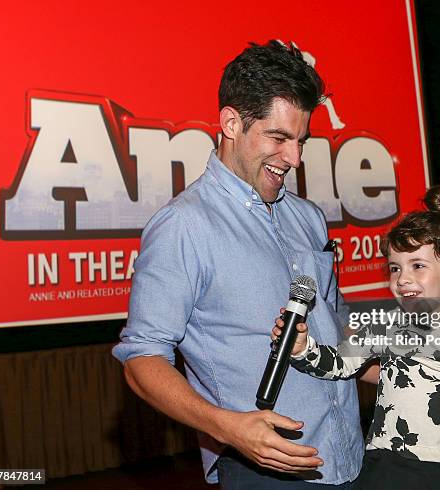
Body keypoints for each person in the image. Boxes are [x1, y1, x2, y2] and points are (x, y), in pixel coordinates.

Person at [112, 40, 366, 489]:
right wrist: (225, 425)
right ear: (231, 123)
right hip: (263, 473)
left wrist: (410, 372)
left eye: (301, 142)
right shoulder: (183, 226)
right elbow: (142, 358)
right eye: (279, 138)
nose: (295, 159)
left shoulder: (307, 217)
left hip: (348, 457)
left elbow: (335, 324)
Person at [272, 185, 440, 489]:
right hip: (396, 464)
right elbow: (341, 364)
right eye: (395, 268)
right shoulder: (383, 327)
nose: (402, 279)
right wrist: (303, 348)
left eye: (418, 266)